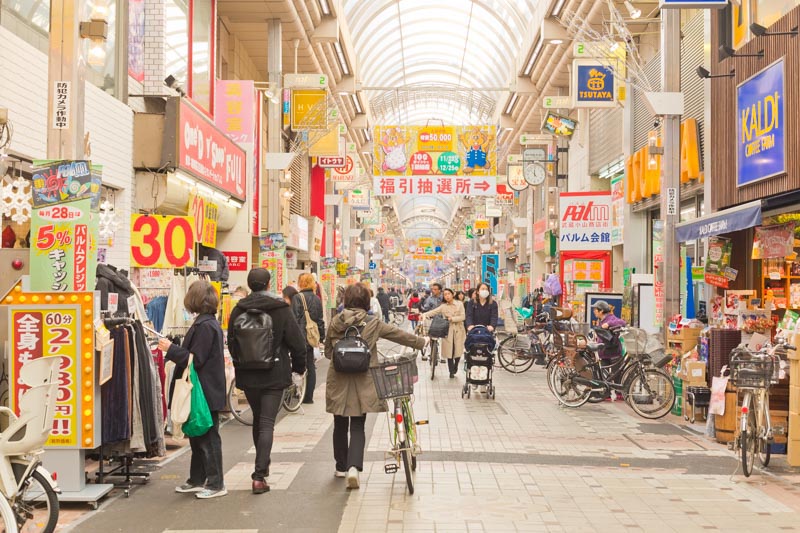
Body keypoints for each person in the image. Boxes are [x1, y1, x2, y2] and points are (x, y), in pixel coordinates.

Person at [324, 283, 426, 489]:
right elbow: (398, 334)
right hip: (365, 377)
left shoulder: (336, 321)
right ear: (366, 301)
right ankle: (354, 467)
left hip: (339, 378)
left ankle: (341, 467)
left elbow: (327, 351)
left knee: (340, 423)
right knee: (358, 424)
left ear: (346, 301)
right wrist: (421, 342)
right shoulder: (373, 322)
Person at [228, 269, 307, 494]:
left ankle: (262, 466)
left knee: (259, 421)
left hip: (248, 375)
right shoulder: (281, 309)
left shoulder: (238, 309)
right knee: (266, 423)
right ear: (269, 283)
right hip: (274, 373)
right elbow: (298, 344)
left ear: (249, 284)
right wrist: (298, 370)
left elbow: (231, 342)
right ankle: (259, 475)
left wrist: (239, 363)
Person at [158, 281, 227, 499]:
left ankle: (216, 484)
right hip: (204, 390)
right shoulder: (206, 323)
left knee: (207, 437)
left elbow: (195, 360)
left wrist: (171, 349)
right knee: (198, 437)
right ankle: (197, 479)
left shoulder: (205, 326)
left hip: (203, 391)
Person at [292, 273, 326, 405]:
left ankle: (298, 392)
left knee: (299, 364)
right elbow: (320, 320)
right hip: (312, 337)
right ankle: (308, 396)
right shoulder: (317, 299)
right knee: (310, 365)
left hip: (300, 336)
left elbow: (294, 319)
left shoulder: (297, 297)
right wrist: (321, 337)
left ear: (301, 283)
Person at [421, 288, 466, 378]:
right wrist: (424, 315)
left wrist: (452, 319)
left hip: (459, 330)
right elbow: (434, 312)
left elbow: (463, 316)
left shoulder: (459, 304)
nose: (447, 296)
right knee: (449, 351)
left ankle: (456, 365)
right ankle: (451, 371)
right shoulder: (443, 306)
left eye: (449, 294)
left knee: (457, 350)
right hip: (447, 330)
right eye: (445, 294)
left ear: (453, 294)